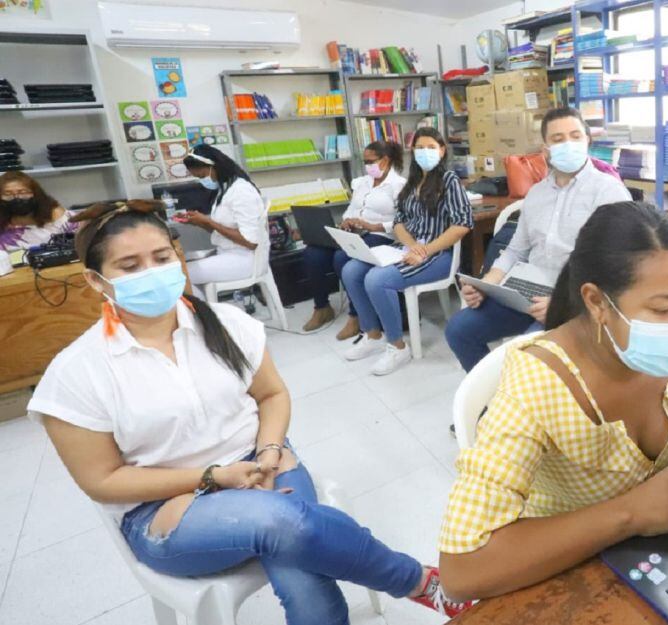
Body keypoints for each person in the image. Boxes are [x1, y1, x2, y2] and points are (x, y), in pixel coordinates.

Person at [27, 203, 472, 625]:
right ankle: (422, 582)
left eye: (162, 257)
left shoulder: (227, 324)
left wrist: (270, 450)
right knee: (281, 520)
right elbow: (101, 480)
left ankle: (426, 585)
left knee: (300, 570)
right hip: (165, 503)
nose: (153, 273)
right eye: (129, 267)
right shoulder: (78, 372)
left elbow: (272, 395)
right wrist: (213, 478)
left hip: (263, 460)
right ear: (97, 281)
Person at [438, 202, 668, 601]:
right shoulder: (536, 385)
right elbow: (461, 570)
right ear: (597, 302)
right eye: (664, 308)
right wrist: (632, 513)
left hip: (657, 551)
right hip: (567, 561)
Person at [445, 107, 632, 372]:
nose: (568, 143)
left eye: (575, 135)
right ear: (545, 149)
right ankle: (493, 406)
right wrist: (486, 285)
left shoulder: (608, 191)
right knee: (459, 329)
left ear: (588, 140)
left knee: (528, 356)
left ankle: (523, 404)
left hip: (576, 300)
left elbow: (617, 266)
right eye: (558, 139)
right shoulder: (536, 194)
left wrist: (565, 301)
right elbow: (514, 251)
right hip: (527, 290)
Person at [341, 128, 473, 374]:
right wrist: (412, 246)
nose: (425, 152)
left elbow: (462, 224)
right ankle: (372, 335)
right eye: (419, 147)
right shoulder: (411, 182)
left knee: (376, 280)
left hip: (439, 255)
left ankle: (398, 346)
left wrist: (425, 250)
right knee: (351, 270)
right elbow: (399, 221)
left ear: (442, 150)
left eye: (431, 147)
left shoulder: (449, 181)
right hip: (406, 248)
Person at [302, 141, 406, 336]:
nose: (367, 165)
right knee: (313, 253)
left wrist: (373, 225)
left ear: (385, 160)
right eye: (364, 161)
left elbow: (405, 223)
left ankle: (356, 315)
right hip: (355, 233)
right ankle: (322, 307)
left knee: (342, 257)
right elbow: (352, 208)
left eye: (370, 161)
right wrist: (347, 221)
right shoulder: (363, 182)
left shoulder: (399, 186)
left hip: (381, 236)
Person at [179, 144, 268, 299]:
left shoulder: (241, 191)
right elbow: (224, 232)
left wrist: (210, 222)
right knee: (180, 269)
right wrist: (201, 223)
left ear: (214, 167)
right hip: (229, 253)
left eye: (201, 176)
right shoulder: (225, 190)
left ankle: (208, 316)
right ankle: (207, 313)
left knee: (179, 276)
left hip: (245, 259)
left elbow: (251, 242)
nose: (202, 181)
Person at [0, 170, 75, 252]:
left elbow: (81, 246)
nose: (17, 198)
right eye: (8, 194)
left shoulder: (60, 217)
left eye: (23, 192)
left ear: (35, 194)